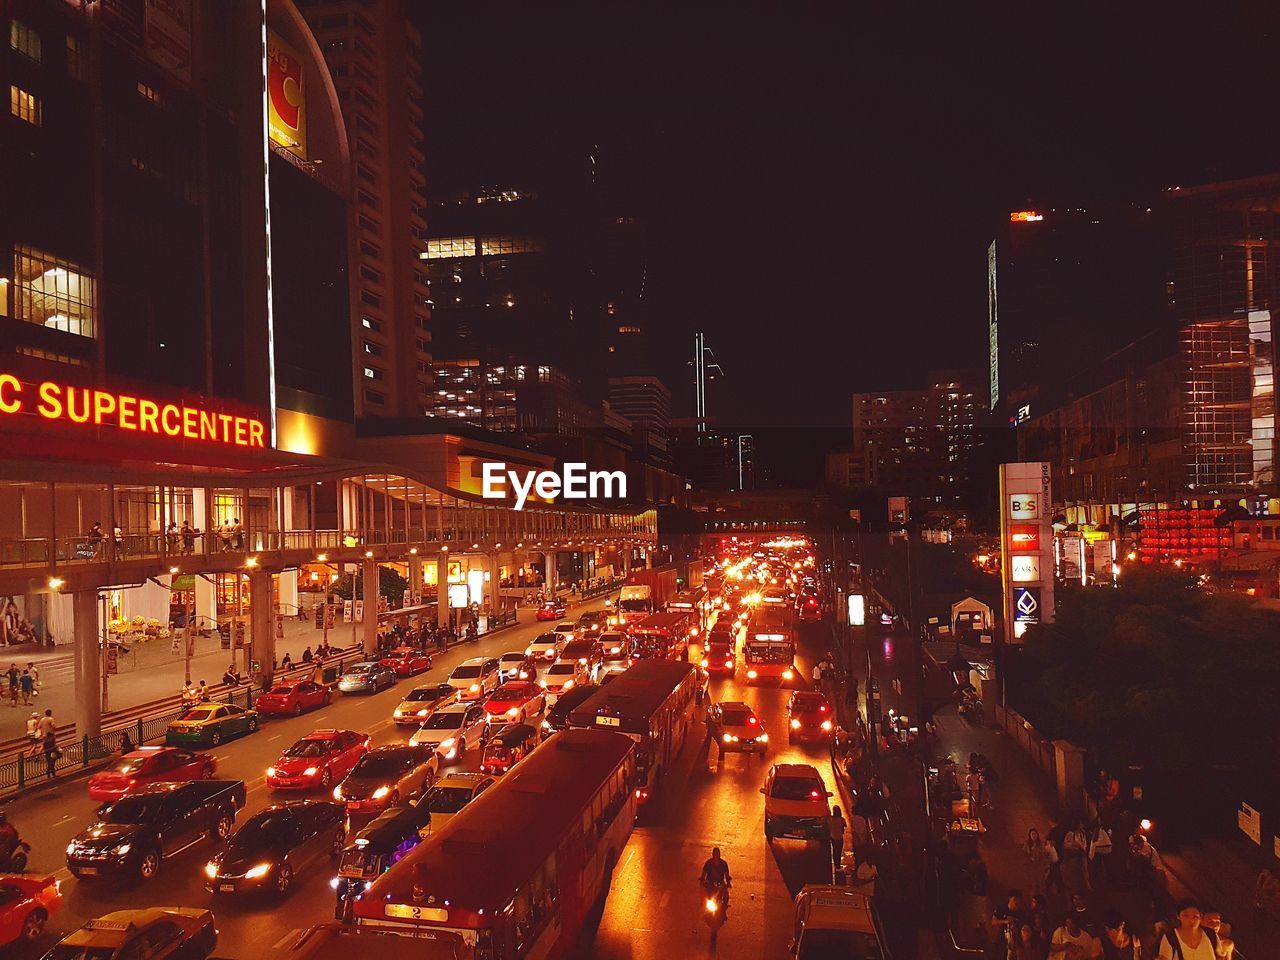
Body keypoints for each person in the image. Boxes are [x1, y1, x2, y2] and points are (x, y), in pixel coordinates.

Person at [828, 805, 847, 878]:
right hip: (840, 838)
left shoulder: (831, 819)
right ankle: (838, 865)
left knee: (834, 850)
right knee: (839, 851)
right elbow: (845, 825)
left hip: (833, 837)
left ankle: (836, 864)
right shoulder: (841, 820)